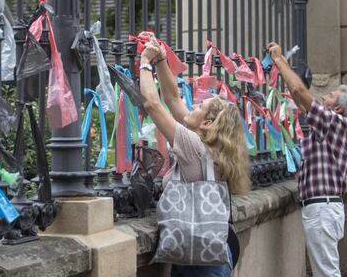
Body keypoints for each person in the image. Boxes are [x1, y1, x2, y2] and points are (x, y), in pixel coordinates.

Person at [139, 35, 251, 277]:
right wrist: (161, 60)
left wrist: (145, 63)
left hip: (199, 264)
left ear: (208, 123)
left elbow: (153, 104)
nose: (193, 106)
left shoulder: (194, 147)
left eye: (199, 107)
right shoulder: (212, 150)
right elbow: (172, 98)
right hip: (210, 254)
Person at [268, 42, 347, 277]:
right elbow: (298, 98)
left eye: (331, 96)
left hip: (322, 208)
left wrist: (280, 60)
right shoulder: (327, 127)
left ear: (340, 109)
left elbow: (300, 93)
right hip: (322, 208)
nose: (324, 97)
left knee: (326, 273)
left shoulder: (336, 124)